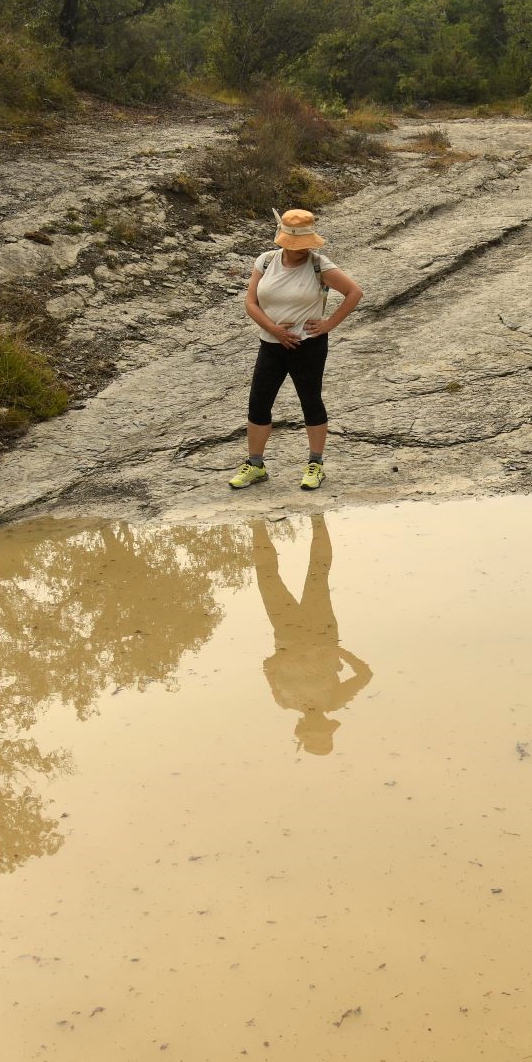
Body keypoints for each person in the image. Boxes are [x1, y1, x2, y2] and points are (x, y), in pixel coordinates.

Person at [230, 208, 364, 492]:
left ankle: (315, 464)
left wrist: (328, 324)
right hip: (270, 343)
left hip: (308, 346)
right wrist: (275, 329)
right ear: (284, 240)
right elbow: (251, 302)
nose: (303, 249)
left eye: (306, 244)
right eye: (298, 244)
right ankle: (255, 465)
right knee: (258, 403)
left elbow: (354, 293)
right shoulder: (265, 261)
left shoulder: (320, 265)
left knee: (310, 401)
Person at [253, 516, 371, 755]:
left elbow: (268, 666)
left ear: (303, 729)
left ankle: (256, 523)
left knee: (267, 578)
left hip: (286, 633)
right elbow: (365, 674)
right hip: (320, 631)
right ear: (327, 725)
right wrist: (336, 650)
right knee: (318, 570)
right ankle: (318, 518)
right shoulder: (335, 700)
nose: (316, 725)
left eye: (312, 731)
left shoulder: (284, 701)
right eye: (321, 729)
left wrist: (289, 656)